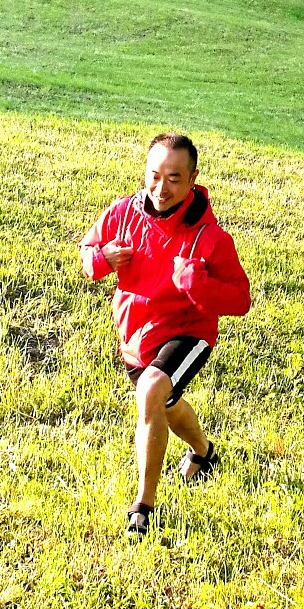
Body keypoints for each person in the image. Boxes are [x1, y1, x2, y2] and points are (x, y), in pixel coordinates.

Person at [81, 132, 252, 537]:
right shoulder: (123, 212)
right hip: (136, 334)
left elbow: (241, 299)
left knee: (153, 390)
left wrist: (196, 282)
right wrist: (101, 258)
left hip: (187, 331)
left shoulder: (210, 237)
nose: (161, 189)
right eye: (154, 176)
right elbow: (88, 251)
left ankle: (143, 506)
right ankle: (204, 453)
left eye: (174, 179)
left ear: (193, 179)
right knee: (166, 403)